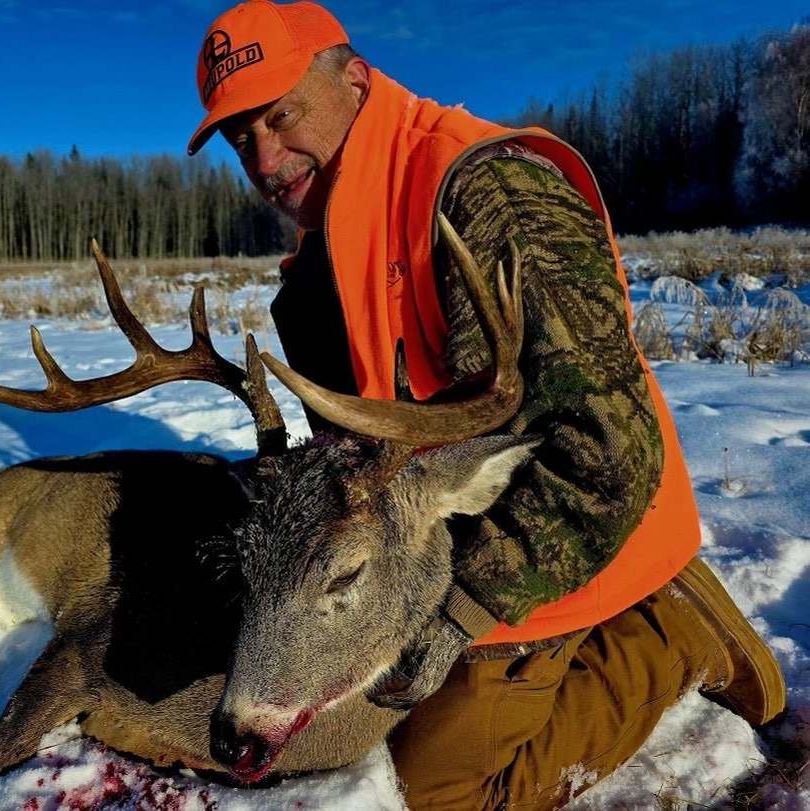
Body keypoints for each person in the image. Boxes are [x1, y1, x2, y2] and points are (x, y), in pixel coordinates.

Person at [187, 2, 787, 808]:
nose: (263, 157)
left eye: (280, 115)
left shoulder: (487, 193)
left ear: (354, 80)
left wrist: (460, 613)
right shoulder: (319, 266)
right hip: (448, 534)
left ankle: (669, 632)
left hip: (588, 534)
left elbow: (604, 453)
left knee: (442, 786)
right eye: (240, 138)